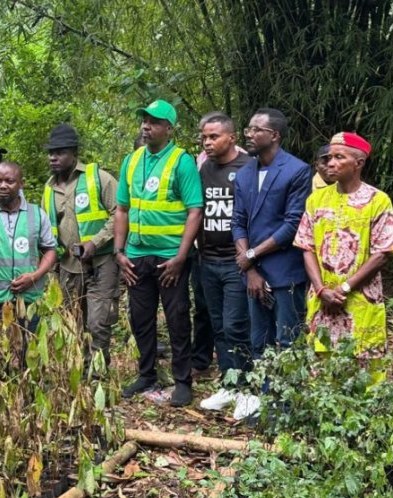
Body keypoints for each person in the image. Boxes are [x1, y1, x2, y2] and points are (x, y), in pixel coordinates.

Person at [115, 99, 204, 407]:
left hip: (170, 258)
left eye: (153, 121)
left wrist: (181, 256)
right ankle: (147, 373)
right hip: (136, 255)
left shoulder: (182, 161)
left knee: (177, 317)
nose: (146, 126)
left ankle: (182, 380)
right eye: (144, 120)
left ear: (168, 128)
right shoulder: (132, 159)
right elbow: (122, 209)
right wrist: (119, 251)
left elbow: (195, 211)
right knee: (140, 318)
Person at [231, 108, 311, 416]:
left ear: (274, 135)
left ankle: (287, 407)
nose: (249, 134)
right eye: (248, 129)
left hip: (285, 271)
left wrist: (251, 255)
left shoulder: (297, 170)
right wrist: (249, 267)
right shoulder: (245, 173)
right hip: (253, 272)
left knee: (287, 340)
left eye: (255, 130)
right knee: (258, 340)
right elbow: (238, 221)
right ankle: (264, 404)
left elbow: (292, 225)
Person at [294, 132, 393, 354]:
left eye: (339, 157)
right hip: (322, 300)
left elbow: (382, 253)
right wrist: (321, 290)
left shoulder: (377, 200)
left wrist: (344, 288)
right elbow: (306, 247)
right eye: (329, 158)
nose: (331, 163)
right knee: (321, 369)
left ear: (358, 163)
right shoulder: (316, 200)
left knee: (363, 371)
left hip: (360, 300)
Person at [41, 124, 119, 368]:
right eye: (51, 152)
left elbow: (120, 214)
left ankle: (98, 370)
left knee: (98, 321)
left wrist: (96, 242)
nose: (54, 157)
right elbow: (47, 228)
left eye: (60, 152)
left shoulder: (98, 178)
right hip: (68, 266)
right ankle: (80, 367)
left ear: (74, 154)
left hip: (101, 263)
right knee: (72, 320)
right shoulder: (48, 188)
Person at [194, 113, 254, 416]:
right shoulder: (204, 168)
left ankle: (246, 388)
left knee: (236, 326)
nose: (208, 142)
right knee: (218, 326)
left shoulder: (247, 168)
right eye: (204, 137)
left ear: (232, 138)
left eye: (214, 136)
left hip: (236, 262)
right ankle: (228, 386)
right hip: (208, 260)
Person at [0, 161, 57, 328]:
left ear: (21, 183)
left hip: (29, 299)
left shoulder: (37, 214)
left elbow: (50, 250)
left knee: (30, 351)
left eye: (9, 181)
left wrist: (34, 277)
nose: (3, 186)